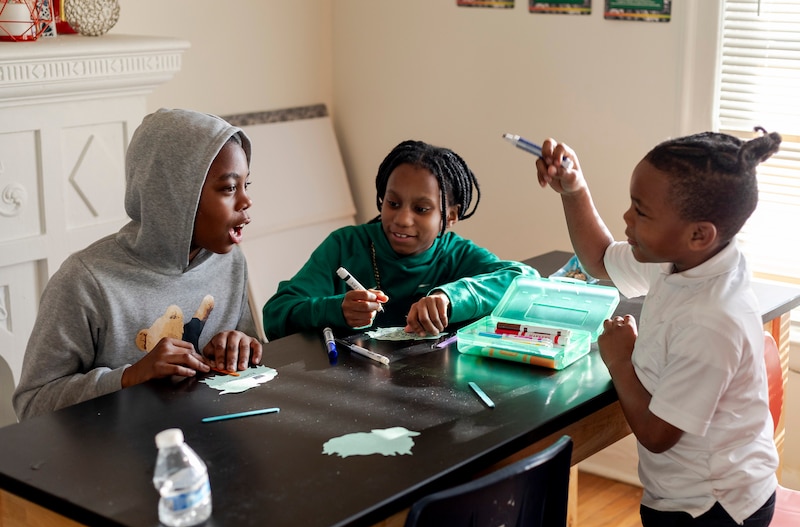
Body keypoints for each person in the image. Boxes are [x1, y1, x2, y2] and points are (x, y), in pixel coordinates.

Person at [535, 128, 781, 527]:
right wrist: (573, 190)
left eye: (641, 211)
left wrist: (620, 360)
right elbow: (598, 260)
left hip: (712, 509)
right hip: (684, 493)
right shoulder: (683, 257)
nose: (627, 218)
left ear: (699, 233)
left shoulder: (713, 320)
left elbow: (657, 433)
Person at [13, 108, 263, 420]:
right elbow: (32, 405)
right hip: (115, 460)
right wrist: (130, 376)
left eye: (246, 185)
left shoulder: (230, 263)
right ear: (177, 196)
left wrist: (241, 344)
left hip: (207, 441)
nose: (246, 201)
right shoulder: (85, 281)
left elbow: (251, 348)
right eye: (228, 188)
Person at [263, 139, 539, 340]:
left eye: (421, 209)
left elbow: (526, 280)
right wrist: (335, 309)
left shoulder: (456, 254)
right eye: (393, 203)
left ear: (451, 216)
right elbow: (276, 314)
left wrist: (449, 297)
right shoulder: (345, 245)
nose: (402, 219)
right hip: (351, 388)